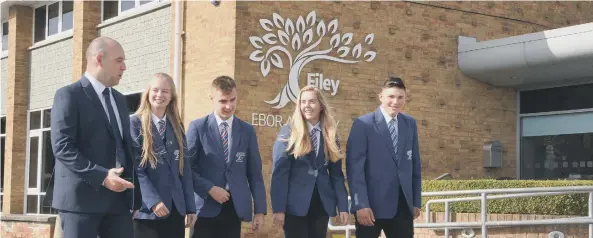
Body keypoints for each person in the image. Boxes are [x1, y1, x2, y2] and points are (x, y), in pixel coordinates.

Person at [50, 36, 141, 238]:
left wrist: (134, 197)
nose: (124, 67)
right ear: (99, 59)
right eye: (119, 60)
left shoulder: (119, 99)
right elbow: (63, 147)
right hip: (81, 203)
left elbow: (125, 149)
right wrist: (102, 177)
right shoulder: (69, 95)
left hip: (118, 203)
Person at [186, 75, 267, 238]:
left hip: (234, 209)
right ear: (212, 99)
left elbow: (255, 174)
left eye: (232, 100)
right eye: (223, 101)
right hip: (204, 209)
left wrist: (260, 210)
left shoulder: (247, 131)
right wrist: (209, 188)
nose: (229, 106)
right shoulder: (198, 127)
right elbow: (187, 169)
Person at [346, 77, 422, 238]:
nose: (396, 101)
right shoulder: (363, 124)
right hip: (370, 208)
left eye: (400, 97)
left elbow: (414, 164)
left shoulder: (410, 124)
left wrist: (415, 201)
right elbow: (355, 169)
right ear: (381, 97)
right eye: (391, 97)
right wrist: (361, 205)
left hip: (403, 206)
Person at [271, 86, 349, 238]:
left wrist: (343, 206)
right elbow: (279, 174)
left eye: (312, 101)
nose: (307, 106)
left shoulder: (330, 134)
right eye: (303, 102)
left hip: (321, 205)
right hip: (295, 207)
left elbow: (337, 176)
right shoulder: (289, 132)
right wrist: (278, 208)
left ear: (321, 105)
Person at [129, 73, 197, 238]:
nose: (160, 95)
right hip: (147, 212)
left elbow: (184, 169)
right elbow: (135, 168)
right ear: (148, 93)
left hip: (175, 209)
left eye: (165, 91)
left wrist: (190, 207)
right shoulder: (135, 123)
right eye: (156, 90)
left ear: (172, 96)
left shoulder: (177, 126)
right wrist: (153, 201)